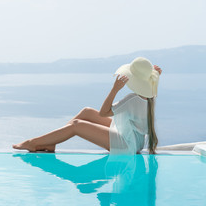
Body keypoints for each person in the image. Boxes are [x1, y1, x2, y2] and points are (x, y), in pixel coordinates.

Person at [12, 57, 162, 155]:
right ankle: (50, 143)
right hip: (134, 138)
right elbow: (152, 81)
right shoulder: (149, 97)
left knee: (77, 125)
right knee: (87, 112)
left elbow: (104, 113)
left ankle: (34, 143)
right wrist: (155, 74)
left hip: (126, 145)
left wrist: (114, 89)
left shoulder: (132, 100)